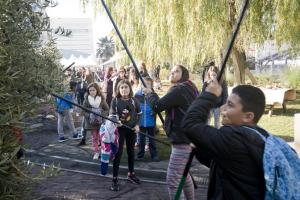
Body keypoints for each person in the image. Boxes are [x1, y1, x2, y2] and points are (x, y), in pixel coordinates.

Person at [182, 82, 267, 199]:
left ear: (248, 116)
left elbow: (190, 124)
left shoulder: (234, 137)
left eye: (230, 105)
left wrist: (209, 95)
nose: (222, 108)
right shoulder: (258, 134)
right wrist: (200, 148)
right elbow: (224, 163)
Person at [143, 64, 198, 200]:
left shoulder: (179, 90)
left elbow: (157, 106)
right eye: (172, 71)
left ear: (183, 74)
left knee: (173, 179)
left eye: (176, 71)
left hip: (182, 139)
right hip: (189, 137)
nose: (173, 73)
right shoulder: (191, 87)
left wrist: (150, 93)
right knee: (184, 176)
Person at [110, 79, 142, 191]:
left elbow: (139, 114)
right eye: (122, 87)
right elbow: (112, 115)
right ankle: (114, 178)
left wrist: (137, 125)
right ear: (118, 89)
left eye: (126, 87)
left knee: (131, 152)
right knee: (118, 153)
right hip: (120, 130)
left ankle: (131, 174)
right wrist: (115, 121)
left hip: (131, 130)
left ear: (130, 88)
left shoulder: (134, 101)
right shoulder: (115, 101)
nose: (124, 89)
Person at [82, 83, 109, 160]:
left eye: (93, 90)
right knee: (94, 138)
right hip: (91, 123)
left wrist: (101, 114)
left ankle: (104, 151)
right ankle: (96, 152)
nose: (92, 92)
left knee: (102, 138)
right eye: (90, 90)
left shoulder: (101, 99)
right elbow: (83, 111)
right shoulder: (86, 100)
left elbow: (107, 109)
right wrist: (89, 115)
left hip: (101, 123)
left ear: (97, 90)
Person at [135, 76, 158, 161]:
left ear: (151, 86)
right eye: (144, 84)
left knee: (152, 139)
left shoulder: (154, 95)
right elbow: (135, 108)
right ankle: (140, 155)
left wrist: (154, 111)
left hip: (151, 122)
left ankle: (154, 155)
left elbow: (158, 106)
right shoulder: (137, 95)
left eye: (148, 84)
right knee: (141, 140)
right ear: (141, 85)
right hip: (141, 122)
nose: (146, 85)